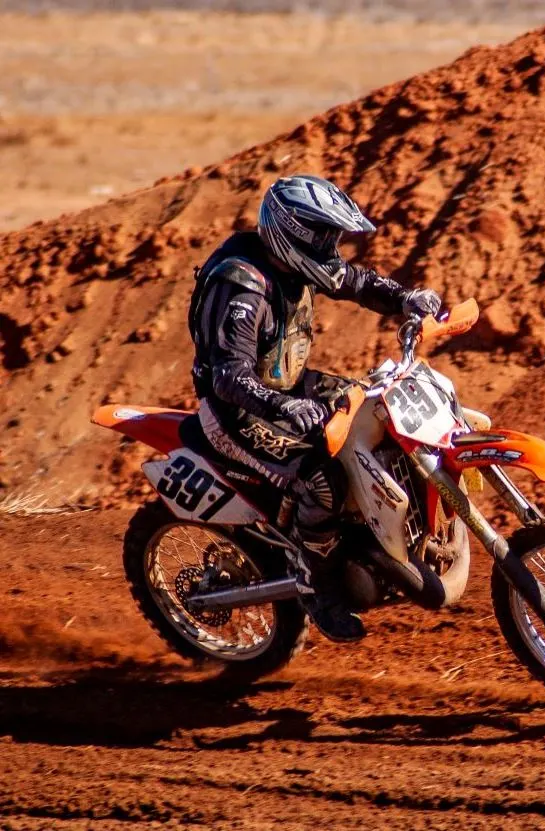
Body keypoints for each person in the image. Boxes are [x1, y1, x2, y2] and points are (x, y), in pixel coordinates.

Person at [188, 175, 441, 643]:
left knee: (379, 412)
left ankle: (379, 534)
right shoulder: (242, 287)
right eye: (323, 236)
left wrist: (406, 298)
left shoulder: (297, 263)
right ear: (293, 232)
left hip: (287, 385)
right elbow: (228, 377)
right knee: (321, 481)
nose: (332, 247)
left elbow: (357, 282)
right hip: (237, 410)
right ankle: (315, 584)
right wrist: (286, 407)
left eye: (334, 237)